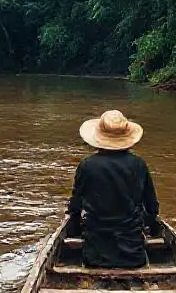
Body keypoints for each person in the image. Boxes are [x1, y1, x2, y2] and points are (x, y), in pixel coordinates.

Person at [66, 109, 161, 268]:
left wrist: (73, 230)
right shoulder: (138, 164)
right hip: (133, 255)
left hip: (95, 255)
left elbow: (76, 205)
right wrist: (153, 229)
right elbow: (151, 206)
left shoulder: (87, 165)